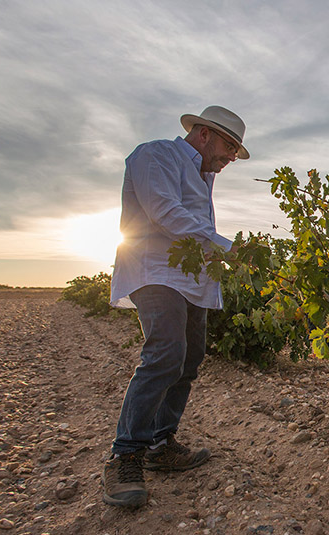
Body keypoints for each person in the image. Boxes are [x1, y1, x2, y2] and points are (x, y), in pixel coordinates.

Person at [104, 106, 250, 508]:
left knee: (189, 359)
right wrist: (229, 248)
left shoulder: (204, 176)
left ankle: (160, 444)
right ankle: (125, 455)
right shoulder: (156, 155)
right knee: (166, 353)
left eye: (236, 150)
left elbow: (194, 228)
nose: (232, 157)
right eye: (229, 146)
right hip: (155, 271)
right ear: (203, 134)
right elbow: (166, 213)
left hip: (191, 280)